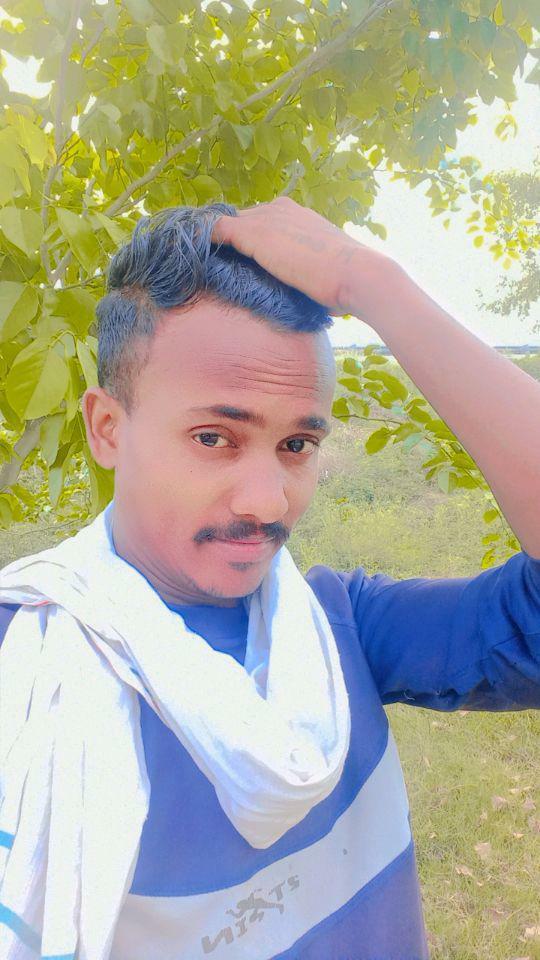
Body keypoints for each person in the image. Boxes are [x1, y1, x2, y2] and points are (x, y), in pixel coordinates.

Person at [0, 198, 539, 960]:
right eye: (214, 437)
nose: (267, 502)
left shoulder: (341, 631)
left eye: (296, 445)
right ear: (107, 428)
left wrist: (373, 286)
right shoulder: (27, 668)